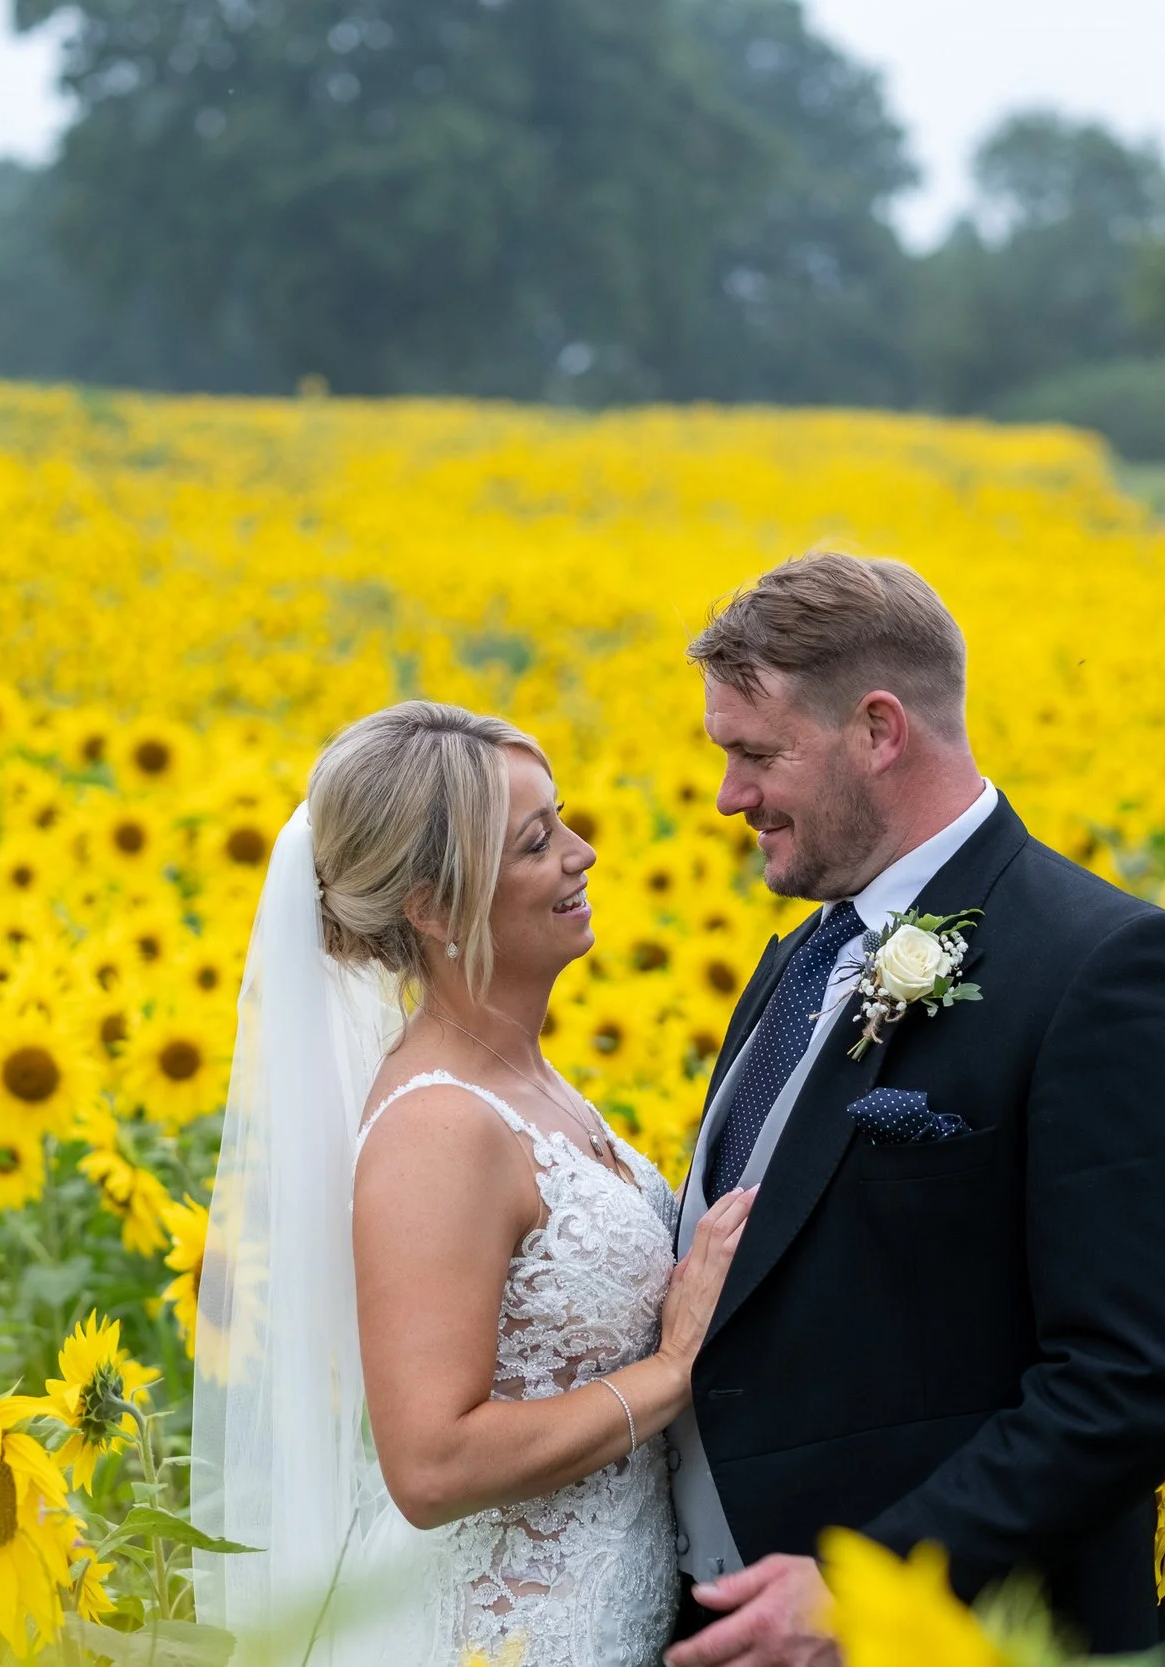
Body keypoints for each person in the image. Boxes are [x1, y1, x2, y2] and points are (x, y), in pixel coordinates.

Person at [661, 551, 1165, 1666]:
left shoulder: (1108, 969)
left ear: (878, 731)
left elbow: (1138, 1376)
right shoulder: (801, 960)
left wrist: (873, 1582)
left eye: (756, 754)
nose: (731, 796)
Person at [195, 701, 752, 1667]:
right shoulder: (438, 1127)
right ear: (435, 908)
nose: (583, 853)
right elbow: (430, 1464)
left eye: (563, 821)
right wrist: (669, 1371)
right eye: (539, 841)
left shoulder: (523, 1078)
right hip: (499, 1639)